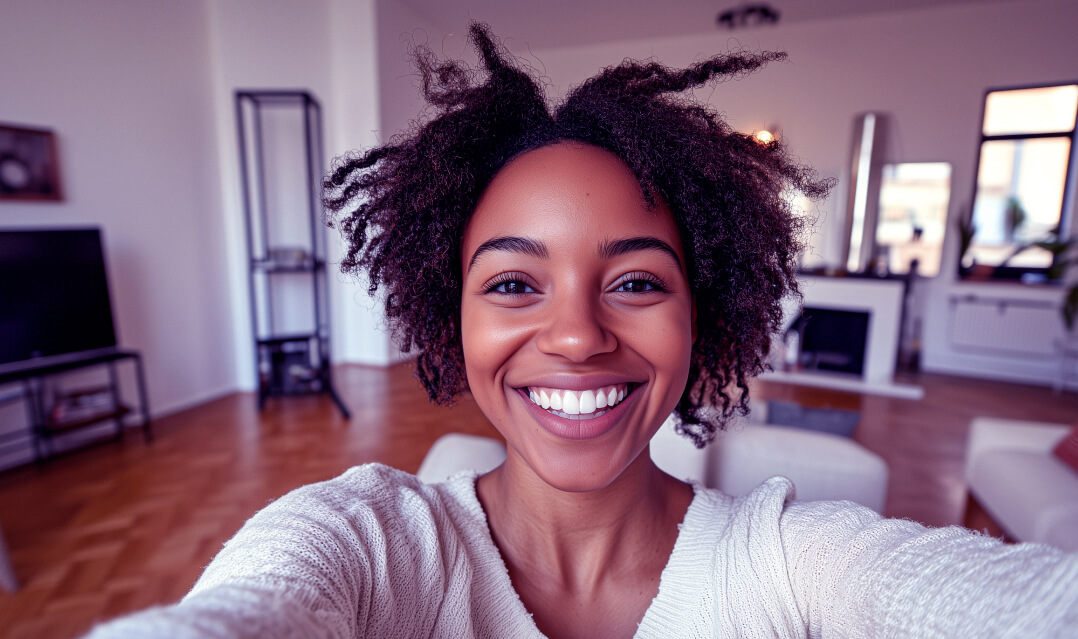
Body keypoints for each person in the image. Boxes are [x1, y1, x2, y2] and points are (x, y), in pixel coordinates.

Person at [86, 22, 1076, 638]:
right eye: (515, 282)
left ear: (706, 314)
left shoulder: (795, 566)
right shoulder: (366, 547)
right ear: (448, 312)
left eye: (635, 280)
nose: (574, 336)